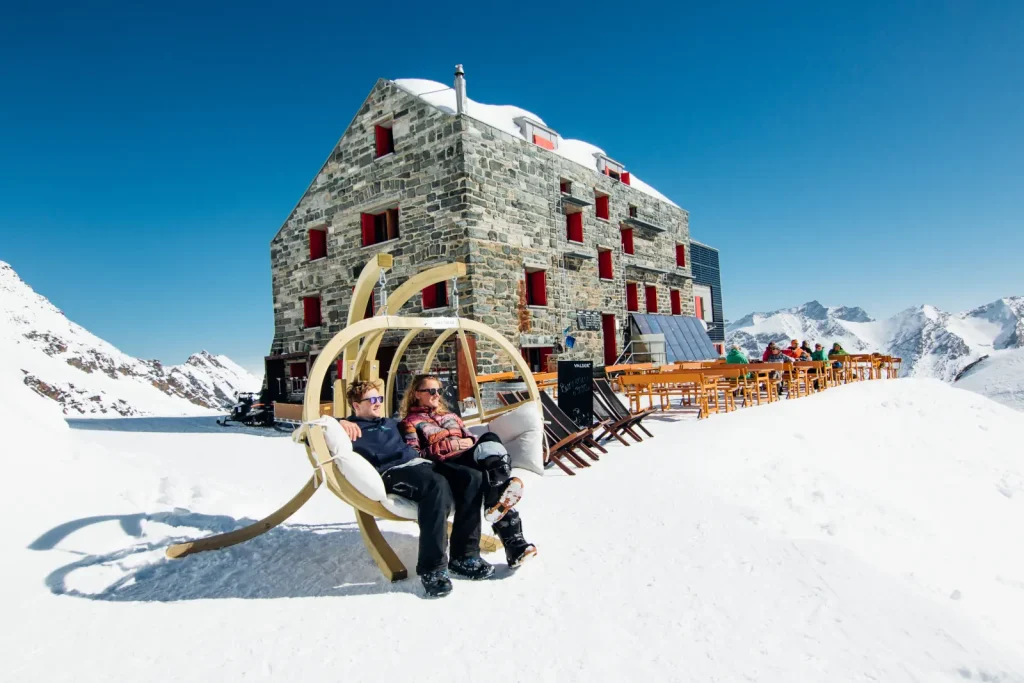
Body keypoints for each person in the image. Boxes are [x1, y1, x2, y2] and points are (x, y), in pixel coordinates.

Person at [336, 379, 488, 599]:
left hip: (422, 465)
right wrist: (338, 422)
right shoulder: (351, 428)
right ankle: (432, 569)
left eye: (379, 398)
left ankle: (464, 556)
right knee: (437, 486)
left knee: (471, 478)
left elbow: (417, 423)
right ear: (356, 405)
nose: (377, 403)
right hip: (393, 472)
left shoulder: (390, 423)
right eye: (371, 400)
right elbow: (311, 431)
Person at [400, 374, 537, 572]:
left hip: (467, 457)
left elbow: (472, 439)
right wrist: (452, 444)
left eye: (439, 390)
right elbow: (414, 454)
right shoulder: (410, 423)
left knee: (490, 439)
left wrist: (469, 442)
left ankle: (496, 504)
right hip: (445, 464)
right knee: (476, 477)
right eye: (430, 391)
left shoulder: (451, 417)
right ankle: (508, 542)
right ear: (416, 394)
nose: (436, 394)